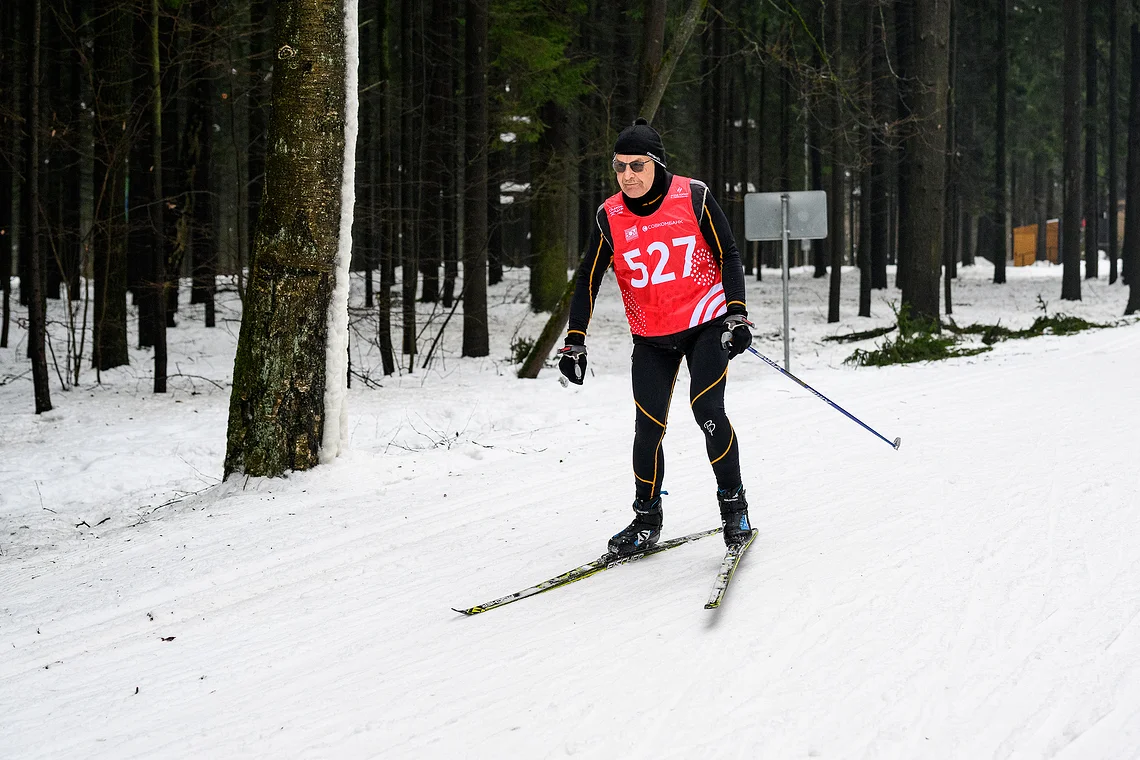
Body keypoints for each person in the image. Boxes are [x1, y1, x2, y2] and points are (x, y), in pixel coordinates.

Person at [558, 117, 754, 557]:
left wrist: (737, 316)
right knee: (647, 431)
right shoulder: (610, 215)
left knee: (707, 410)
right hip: (651, 336)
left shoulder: (694, 195)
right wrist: (575, 340)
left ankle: (734, 509)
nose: (627, 175)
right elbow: (588, 279)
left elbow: (729, 255)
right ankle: (646, 521)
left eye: (636, 166)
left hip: (706, 325)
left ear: (656, 164)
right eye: (619, 166)